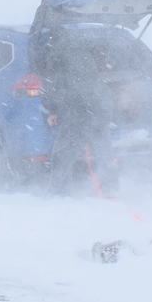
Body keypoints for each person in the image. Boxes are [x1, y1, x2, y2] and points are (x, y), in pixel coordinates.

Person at [39, 29, 122, 198]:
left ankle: (58, 193)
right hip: (99, 109)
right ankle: (111, 191)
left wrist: (53, 110)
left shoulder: (58, 52)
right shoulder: (89, 50)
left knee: (63, 155)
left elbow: (54, 84)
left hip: (76, 111)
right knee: (104, 153)